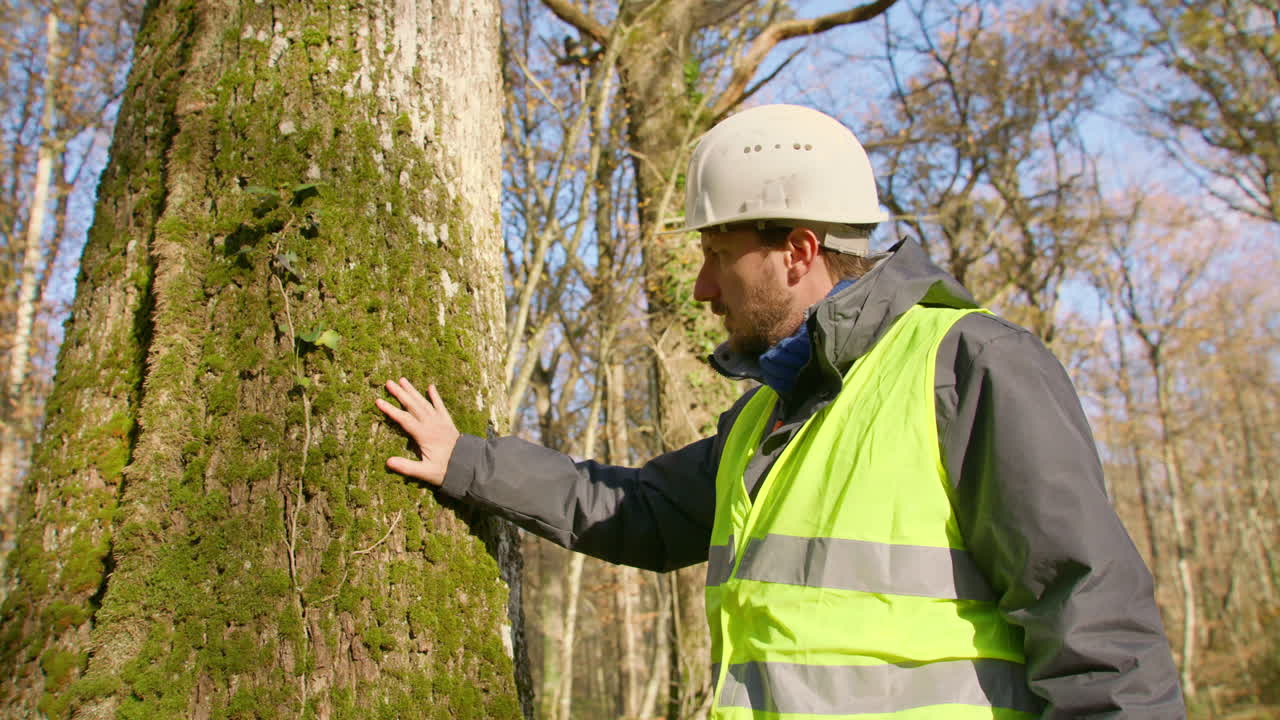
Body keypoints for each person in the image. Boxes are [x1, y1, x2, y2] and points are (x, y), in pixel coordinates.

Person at [375, 104, 1185, 718]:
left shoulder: (969, 365)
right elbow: (637, 511)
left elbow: (1093, 624)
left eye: (720, 256)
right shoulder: (769, 419)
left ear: (798, 250)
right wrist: (468, 462)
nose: (701, 287)